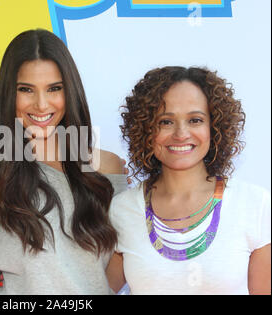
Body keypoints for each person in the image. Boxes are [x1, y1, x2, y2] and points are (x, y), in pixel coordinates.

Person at [0, 29, 128, 294]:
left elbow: (123, 255)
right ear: (9, 94)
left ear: (70, 91)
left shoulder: (105, 167)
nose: (41, 104)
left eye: (54, 88)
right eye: (26, 90)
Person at [106, 66, 271, 294]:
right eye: (165, 121)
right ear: (145, 129)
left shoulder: (255, 205)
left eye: (195, 120)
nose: (181, 134)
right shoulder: (121, 210)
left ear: (214, 127)